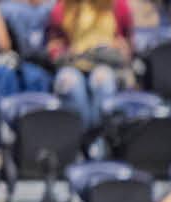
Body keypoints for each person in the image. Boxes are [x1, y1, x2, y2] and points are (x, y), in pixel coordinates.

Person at [45, 0, 130, 128]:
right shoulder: (61, 6)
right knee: (69, 82)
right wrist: (60, 52)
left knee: (102, 79)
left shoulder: (118, 4)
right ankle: (83, 137)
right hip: (72, 64)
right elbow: (53, 44)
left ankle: (97, 137)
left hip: (106, 64)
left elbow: (127, 44)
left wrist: (121, 47)